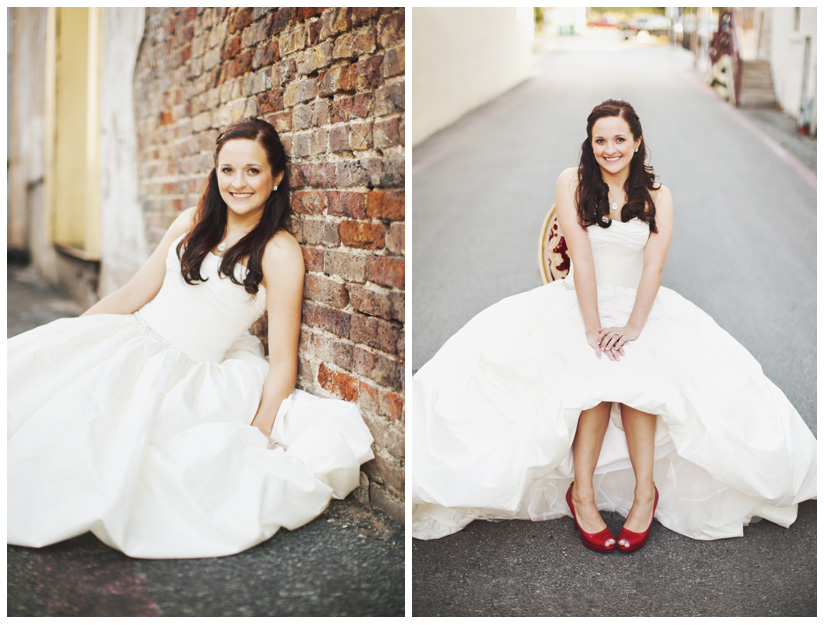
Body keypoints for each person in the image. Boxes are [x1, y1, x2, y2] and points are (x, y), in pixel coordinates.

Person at [411, 99, 816, 552]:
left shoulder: (658, 193)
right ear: (591, 143)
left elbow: (653, 269)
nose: (610, 148)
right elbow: (580, 258)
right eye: (600, 140)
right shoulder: (572, 181)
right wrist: (592, 328)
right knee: (594, 368)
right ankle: (581, 494)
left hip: (641, 306)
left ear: (637, 141)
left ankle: (646, 493)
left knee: (639, 366)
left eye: (619, 139)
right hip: (580, 302)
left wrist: (633, 327)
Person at [8, 117, 374, 559]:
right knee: (43, 395)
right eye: (228, 170)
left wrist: (259, 430)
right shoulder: (191, 222)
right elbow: (132, 293)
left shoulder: (278, 252)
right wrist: (74, 332)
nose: (238, 183)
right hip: (132, 337)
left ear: (276, 178)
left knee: (104, 440)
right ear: (215, 172)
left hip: (187, 373)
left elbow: (282, 360)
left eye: (253, 171)